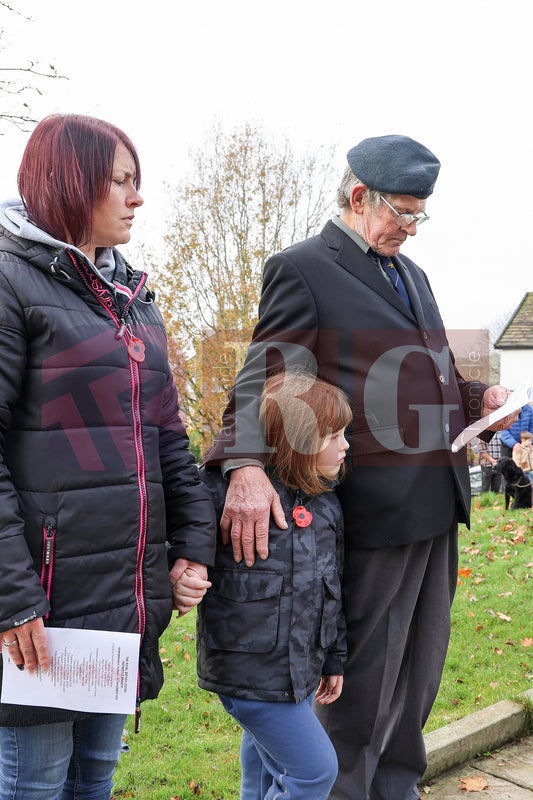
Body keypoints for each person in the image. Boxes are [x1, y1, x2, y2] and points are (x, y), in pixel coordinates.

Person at [205, 135, 518, 800]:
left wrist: (475, 397)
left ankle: (394, 791)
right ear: (358, 197)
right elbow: (263, 379)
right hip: (373, 515)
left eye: (417, 217)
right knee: (357, 696)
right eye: (401, 214)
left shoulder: (412, 276)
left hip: (437, 505)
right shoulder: (302, 269)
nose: (409, 228)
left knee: (416, 681)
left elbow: (423, 374)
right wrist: (244, 466)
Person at [0, 114, 216, 799]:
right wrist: (11, 601)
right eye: (120, 181)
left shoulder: (134, 301)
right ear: (70, 182)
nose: (136, 197)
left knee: (94, 778)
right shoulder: (10, 284)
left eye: (135, 181)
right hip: (41, 607)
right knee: (33, 786)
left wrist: (194, 548)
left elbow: (168, 439)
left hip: (118, 603)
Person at [197, 370, 350, 800]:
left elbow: (330, 591)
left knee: (263, 774)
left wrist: (333, 659)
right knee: (314, 772)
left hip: (296, 674)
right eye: (333, 435)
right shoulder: (230, 495)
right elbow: (182, 535)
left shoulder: (326, 505)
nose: (345, 445)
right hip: (251, 673)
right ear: (297, 441)